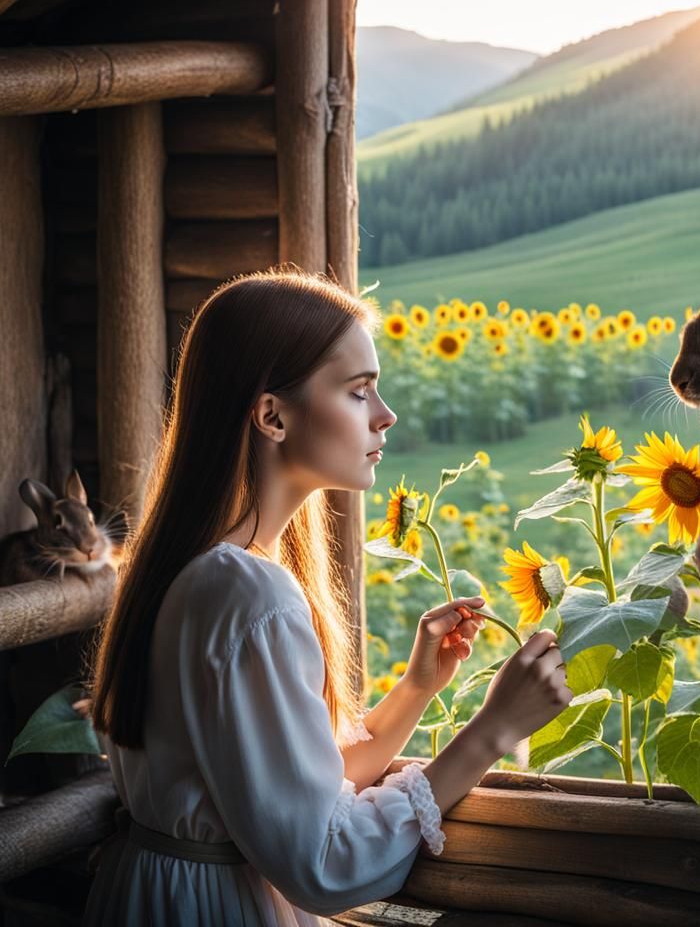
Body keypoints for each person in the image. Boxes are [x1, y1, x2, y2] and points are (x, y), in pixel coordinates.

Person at [82, 267, 573, 925]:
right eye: (357, 391)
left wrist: (415, 690)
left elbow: (286, 790)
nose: (385, 415)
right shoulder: (248, 594)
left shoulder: (191, 570)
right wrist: (495, 729)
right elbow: (324, 859)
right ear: (272, 416)